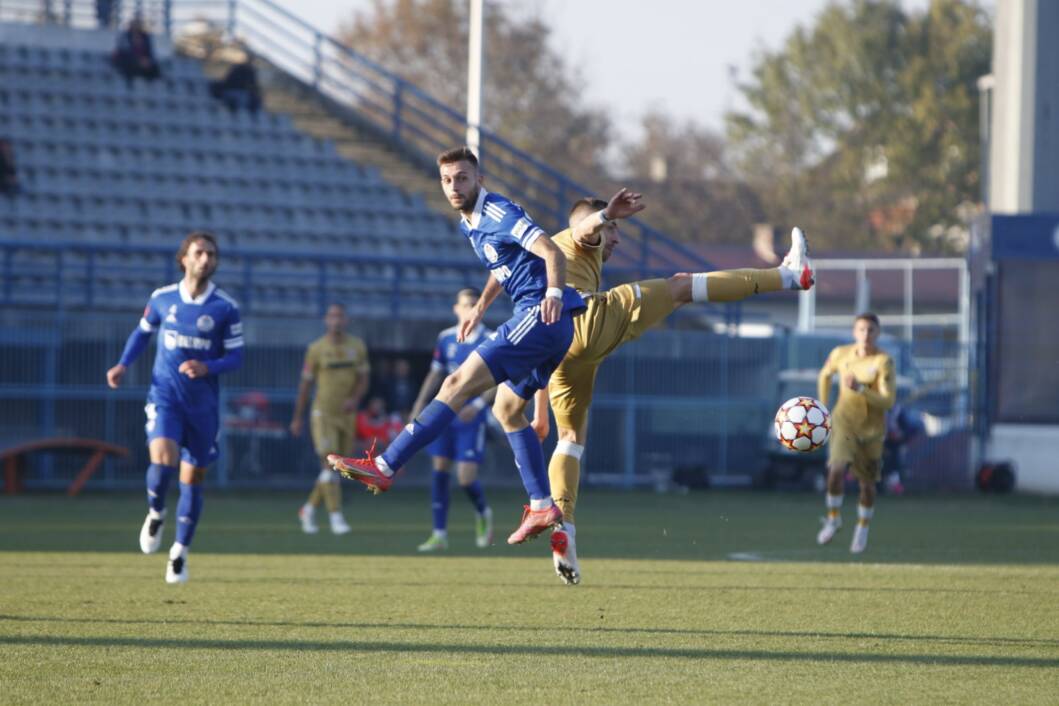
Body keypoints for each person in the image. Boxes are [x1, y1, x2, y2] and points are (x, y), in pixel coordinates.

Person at [329, 146, 639, 545]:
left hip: (542, 316)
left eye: (462, 177)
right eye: (446, 180)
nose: (454, 186)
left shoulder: (498, 212)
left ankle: (386, 465)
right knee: (507, 410)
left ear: (480, 179)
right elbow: (504, 266)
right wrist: (480, 306)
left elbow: (549, 250)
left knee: (456, 383)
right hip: (551, 325)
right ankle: (542, 503)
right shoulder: (470, 223)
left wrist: (555, 295)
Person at [531, 197, 815, 584]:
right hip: (587, 322)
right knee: (682, 286)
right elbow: (584, 229)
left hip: (559, 351)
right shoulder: (577, 237)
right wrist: (604, 217)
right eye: (614, 231)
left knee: (569, 439)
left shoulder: (550, 264)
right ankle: (788, 275)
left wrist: (539, 410)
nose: (614, 239)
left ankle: (565, 526)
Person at [106, 232, 243, 584]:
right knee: (163, 460)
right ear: (184, 258)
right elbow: (142, 333)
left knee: (192, 481)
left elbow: (236, 356)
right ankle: (155, 512)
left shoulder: (225, 308)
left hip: (203, 407)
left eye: (212, 254)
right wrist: (123, 364)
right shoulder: (163, 299)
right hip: (165, 396)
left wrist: (207, 367)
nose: (206, 259)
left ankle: (179, 553)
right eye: (199, 253)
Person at [410, 288, 495, 552]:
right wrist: (419, 403)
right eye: (465, 304)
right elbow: (435, 375)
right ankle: (439, 534)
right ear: (455, 309)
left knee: (466, 478)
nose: (469, 308)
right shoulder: (446, 338)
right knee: (440, 469)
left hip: (471, 416)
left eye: (474, 304)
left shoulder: (490, 339)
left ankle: (483, 512)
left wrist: (480, 403)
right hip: (446, 412)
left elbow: (498, 379)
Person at [815, 312, 896, 554]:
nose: (866, 335)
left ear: (878, 333)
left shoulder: (884, 361)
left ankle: (862, 527)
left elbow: (888, 401)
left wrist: (861, 388)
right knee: (836, 470)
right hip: (844, 423)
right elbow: (824, 375)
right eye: (861, 330)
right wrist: (822, 406)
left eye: (871, 330)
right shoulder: (841, 353)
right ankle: (833, 518)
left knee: (867, 486)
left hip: (871, 430)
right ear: (854, 332)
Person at [289, 303, 369, 536]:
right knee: (330, 463)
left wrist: (354, 399)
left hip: (346, 415)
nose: (336, 320)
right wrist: (297, 417)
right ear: (326, 320)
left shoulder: (357, 346)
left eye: (340, 316)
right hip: (323, 413)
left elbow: (364, 379)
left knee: (338, 467)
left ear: (346, 320)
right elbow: (305, 385)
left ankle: (308, 509)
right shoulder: (316, 349)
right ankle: (336, 517)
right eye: (332, 316)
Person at [111, 17, 161, 87]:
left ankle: (152, 86)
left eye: (138, 24)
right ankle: (129, 84)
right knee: (128, 64)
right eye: (135, 24)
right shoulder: (125, 36)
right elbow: (123, 51)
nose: (136, 26)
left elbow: (150, 52)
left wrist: (148, 61)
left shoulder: (145, 37)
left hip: (143, 63)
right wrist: (138, 60)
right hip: (130, 62)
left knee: (155, 68)